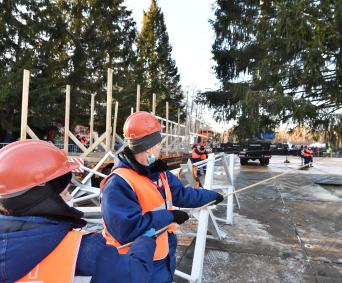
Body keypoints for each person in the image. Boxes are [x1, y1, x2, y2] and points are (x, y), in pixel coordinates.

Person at [0, 140, 156, 283]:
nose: (70, 197)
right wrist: (145, 243)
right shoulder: (84, 251)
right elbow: (134, 274)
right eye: (67, 191)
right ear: (45, 199)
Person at [100, 111, 224, 283]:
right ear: (148, 146)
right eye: (158, 143)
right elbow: (127, 230)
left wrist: (211, 196)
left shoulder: (159, 173)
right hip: (134, 265)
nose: (160, 148)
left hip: (162, 255)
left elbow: (181, 194)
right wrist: (170, 216)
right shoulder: (118, 184)